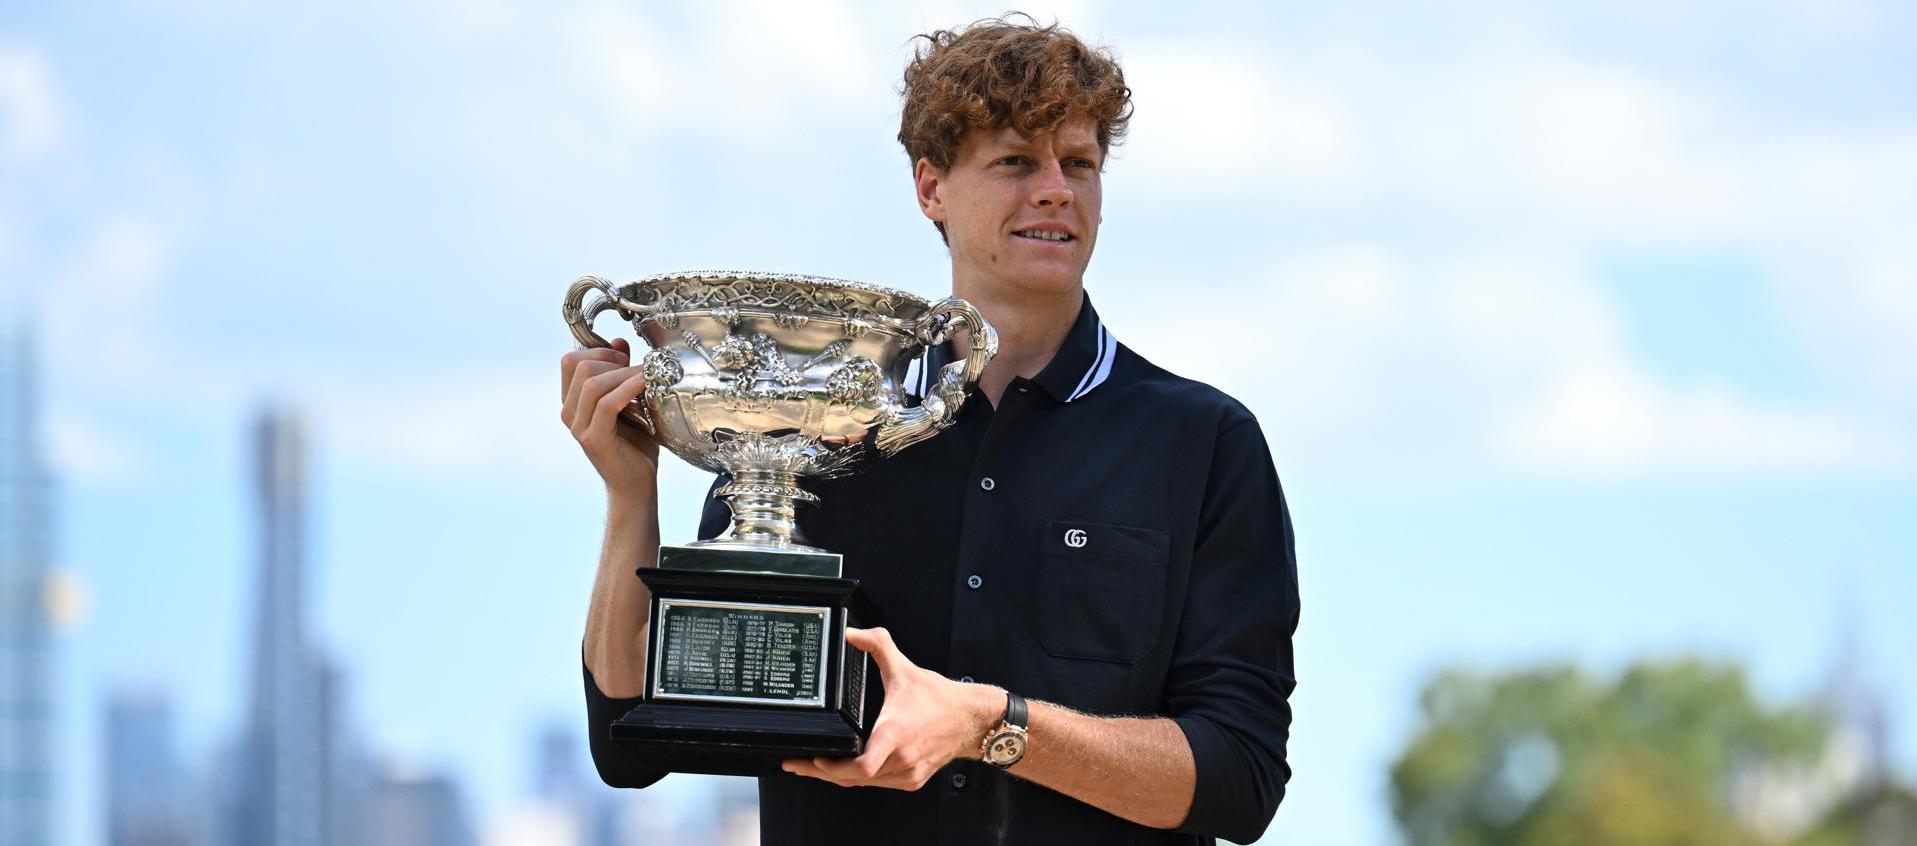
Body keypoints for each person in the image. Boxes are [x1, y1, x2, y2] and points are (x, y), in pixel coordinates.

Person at [560, 15, 1299, 846]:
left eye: (1079, 164)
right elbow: (630, 742)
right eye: (1014, 161)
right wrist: (631, 493)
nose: (1054, 189)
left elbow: (1239, 778)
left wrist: (990, 724)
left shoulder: (1202, 444)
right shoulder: (803, 429)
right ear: (930, 187)